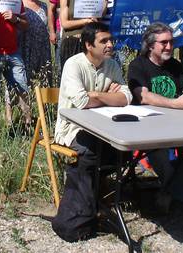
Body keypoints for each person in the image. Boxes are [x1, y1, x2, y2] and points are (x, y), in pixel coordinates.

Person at [52, 22, 131, 242]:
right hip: (72, 129)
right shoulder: (73, 64)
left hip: (105, 127)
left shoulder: (112, 65)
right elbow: (81, 101)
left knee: (125, 147)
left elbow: (127, 98)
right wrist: (106, 97)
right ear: (88, 45)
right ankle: (85, 206)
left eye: (110, 40)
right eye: (103, 41)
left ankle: (96, 194)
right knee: (87, 152)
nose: (110, 45)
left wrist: (97, 94)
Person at [128, 22, 183, 213]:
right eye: (164, 43)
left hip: (178, 126)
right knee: (163, 158)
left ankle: (169, 192)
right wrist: (176, 103)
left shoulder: (175, 65)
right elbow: (143, 96)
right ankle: (177, 190)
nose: (169, 46)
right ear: (151, 45)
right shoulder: (138, 65)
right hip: (149, 129)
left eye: (171, 42)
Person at [59, 0, 100, 70]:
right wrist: (85, 21)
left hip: (87, 43)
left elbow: (98, 20)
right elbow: (64, 23)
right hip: (70, 42)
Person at [47, 0, 81, 80]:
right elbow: (51, 10)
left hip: (81, 34)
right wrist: (51, 31)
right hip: (62, 32)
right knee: (61, 66)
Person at [19, 0, 52, 86]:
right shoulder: (19, 3)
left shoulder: (43, 5)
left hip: (42, 48)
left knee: (43, 81)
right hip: (25, 48)